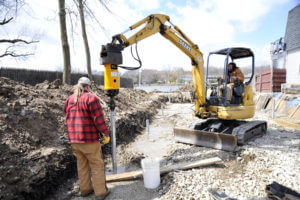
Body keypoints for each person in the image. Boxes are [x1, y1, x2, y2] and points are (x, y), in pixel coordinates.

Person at [64, 77, 110, 199]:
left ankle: (85, 190)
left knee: (82, 165)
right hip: (89, 140)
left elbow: (68, 118)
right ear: (88, 86)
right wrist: (105, 134)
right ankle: (100, 193)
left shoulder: (69, 99)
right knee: (96, 165)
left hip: (74, 140)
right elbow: (98, 120)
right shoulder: (91, 98)